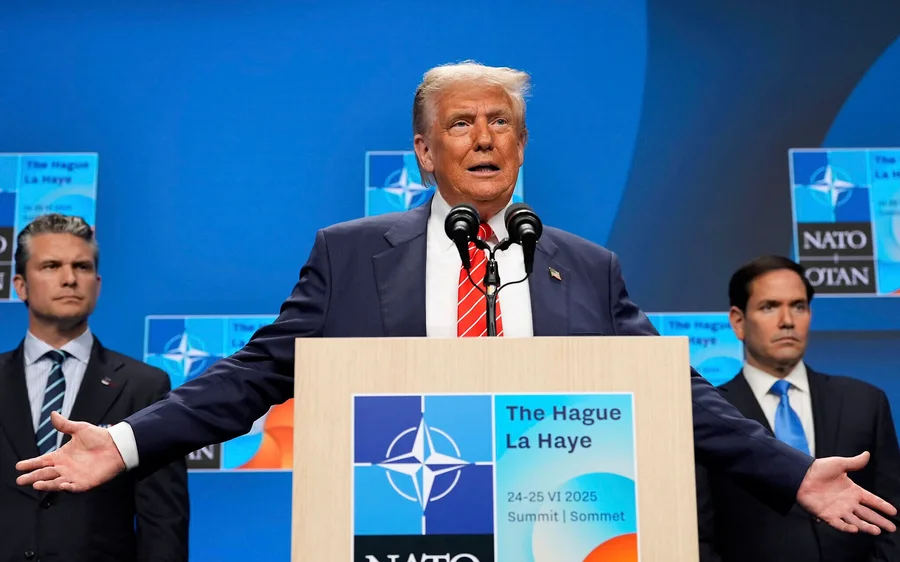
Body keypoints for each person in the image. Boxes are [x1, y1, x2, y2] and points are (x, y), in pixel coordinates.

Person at [14, 61, 898, 536]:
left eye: (500, 122)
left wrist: (792, 471)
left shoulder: (586, 267)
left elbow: (675, 393)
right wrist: (124, 442)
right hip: (398, 524)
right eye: (461, 124)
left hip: (555, 527)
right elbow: (252, 377)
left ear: (522, 144)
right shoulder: (352, 255)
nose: (484, 138)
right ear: (424, 152)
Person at [1, 214, 190, 562]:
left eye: (82, 267)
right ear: (20, 286)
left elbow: (163, 524)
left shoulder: (144, 387)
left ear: (97, 284)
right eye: (51, 266)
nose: (70, 279)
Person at [696, 256, 900, 561]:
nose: (787, 320)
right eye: (769, 307)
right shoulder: (711, 416)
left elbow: (893, 517)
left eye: (798, 306)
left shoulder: (865, 402)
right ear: (738, 321)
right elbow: (699, 535)